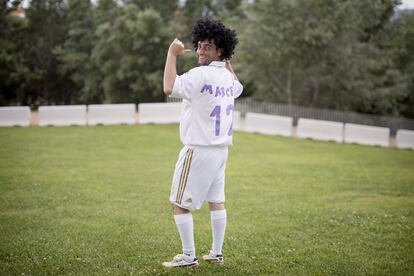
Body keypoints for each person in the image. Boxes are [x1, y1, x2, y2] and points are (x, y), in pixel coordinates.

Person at [162, 18, 243, 268]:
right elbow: (239, 86)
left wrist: (171, 53)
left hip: (198, 150)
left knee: (178, 203)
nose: (199, 51)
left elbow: (168, 87)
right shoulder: (228, 79)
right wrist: (225, 59)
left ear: (220, 50)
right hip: (220, 151)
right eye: (198, 45)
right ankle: (216, 253)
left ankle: (188, 257)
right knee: (216, 200)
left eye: (207, 46)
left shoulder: (199, 75)